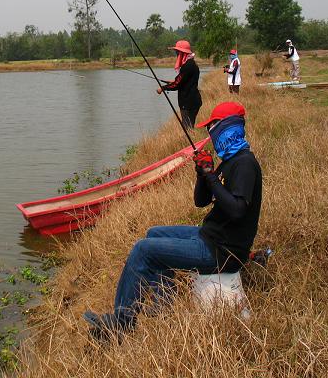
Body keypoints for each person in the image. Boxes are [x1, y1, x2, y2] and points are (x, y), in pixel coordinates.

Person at [83, 102, 263, 338]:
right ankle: (164, 298)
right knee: (154, 233)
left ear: (228, 128)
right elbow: (201, 201)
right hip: (212, 237)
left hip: (223, 252)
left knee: (143, 250)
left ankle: (122, 322)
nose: (210, 134)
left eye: (213, 127)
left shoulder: (245, 164)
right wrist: (202, 174)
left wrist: (212, 178)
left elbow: (237, 210)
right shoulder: (230, 160)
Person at [157, 40, 202, 129]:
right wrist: (172, 82)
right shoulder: (192, 64)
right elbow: (182, 81)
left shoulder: (187, 66)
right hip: (194, 100)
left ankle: (188, 142)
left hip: (188, 102)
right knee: (190, 127)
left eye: (177, 52)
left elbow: (177, 85)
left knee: (187, 128)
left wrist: (163, 88)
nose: (177, 55)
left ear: (182, 53)